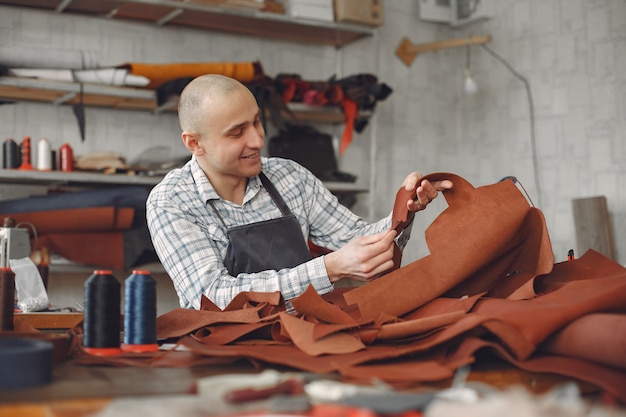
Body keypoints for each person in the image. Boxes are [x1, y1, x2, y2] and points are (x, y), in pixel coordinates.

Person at [146, 74, 453, 311]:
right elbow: (213, 296)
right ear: (194, 143)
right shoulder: (171, 202)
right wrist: (329, 269)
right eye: (237, 132)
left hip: (305, 336)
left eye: (256, 122)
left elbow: (359, 241)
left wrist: (405, 210)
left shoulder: (289, 176)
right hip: (223, 350)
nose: (257, 140)